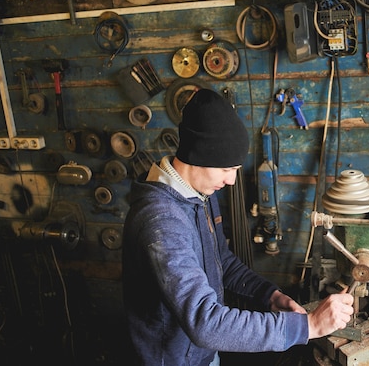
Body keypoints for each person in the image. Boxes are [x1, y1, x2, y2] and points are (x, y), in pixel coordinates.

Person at [122, 88, 354, 366]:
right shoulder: (160, 220)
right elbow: (204, 322)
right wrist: (309, 327)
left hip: (203, 355)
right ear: (197, 156)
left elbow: (221, 260)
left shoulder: (200, 195)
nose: (232, 181)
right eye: (225, 169)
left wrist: (268, 295)